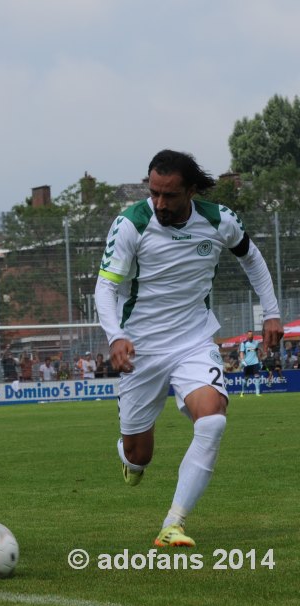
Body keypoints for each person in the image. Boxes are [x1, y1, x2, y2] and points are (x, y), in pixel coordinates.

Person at [95, 149, 282, 548]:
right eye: (154, 193)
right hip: (140, 348)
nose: (159, 203)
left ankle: (173, 523)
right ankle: (129, 456)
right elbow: (106, 287)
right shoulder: (132, 224)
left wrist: (272, 313)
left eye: (169, 195)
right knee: (139, 455)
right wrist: (115, 336)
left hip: (193, 339)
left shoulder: (219, 220)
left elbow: (253, 258)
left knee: (213, 419)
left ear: (191, 191)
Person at [238, 329, 261, 397]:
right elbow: (241, 352)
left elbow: (256, 351)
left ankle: (257, 393)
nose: (251, 336)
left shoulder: (256, 343)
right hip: (247, 363)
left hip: (255, 363)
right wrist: (242, 360)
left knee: (257, 377)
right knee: (245, 379)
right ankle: (242, 392)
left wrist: (259, 360)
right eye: (249, 335)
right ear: (247, 336)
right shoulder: (243, 343)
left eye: (252, 335)